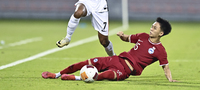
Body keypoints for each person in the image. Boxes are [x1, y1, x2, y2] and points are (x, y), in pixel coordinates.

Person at [42, 17, 178, 82]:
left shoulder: (160, 50)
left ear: (161, 33)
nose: (151, 28)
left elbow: (165, 67)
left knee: (103, 75)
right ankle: (57, 74)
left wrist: (171, 80)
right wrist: (122, 36)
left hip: (125, 71)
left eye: (154, 28)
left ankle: (75, 78)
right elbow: (127, 38)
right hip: (116, 59)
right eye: (152, 26)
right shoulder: (142, 36)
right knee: (84, 62)